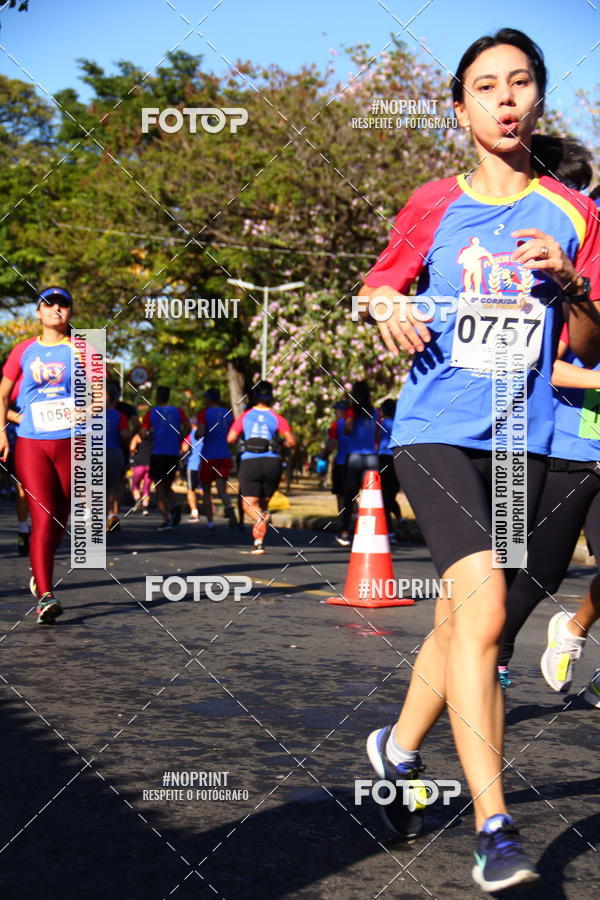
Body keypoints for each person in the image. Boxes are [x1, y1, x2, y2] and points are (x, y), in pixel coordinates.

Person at [357, 28, 600, 893]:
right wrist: (385, 304)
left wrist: (570, 282)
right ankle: (495, 827)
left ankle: (397, 746)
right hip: (436, 428)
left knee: (469, 622)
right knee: (487, 605)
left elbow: (590, 339)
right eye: (485, 86)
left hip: (525, 435)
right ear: (459, 110)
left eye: (521, 82)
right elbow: (379, 282)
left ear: (537, 97)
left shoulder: (576, 211)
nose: (505, 98)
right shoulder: (432, 202)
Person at [498, 320, 600, 701]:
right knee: (539, 575)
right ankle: (495, 658)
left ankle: (573, 631)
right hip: (566, 454)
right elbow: (542, 363)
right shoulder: (585, 303)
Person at [0, 286, 78, 624]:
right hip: (32, 444)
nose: (56, 310)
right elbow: (2, 396)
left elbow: (101, 396)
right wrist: (2, 430)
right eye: (50, 304)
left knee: (62, 517)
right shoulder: (23, 350)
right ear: (38, 311)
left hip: (71, 443)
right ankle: (45, 595)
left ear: (70, 312)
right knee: (43, 516)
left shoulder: (83, 350)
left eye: (63, 305)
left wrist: (87, 409)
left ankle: (40, 568)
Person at [227, 381, 295, 554]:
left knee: (248, 504)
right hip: (272, 463)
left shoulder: (245, 416)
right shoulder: (276, 417)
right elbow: (291, 441)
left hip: (250, 462)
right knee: (263, 503)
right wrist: (279, 442)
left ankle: (261, 519)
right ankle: (258, 543)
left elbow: (231, 438)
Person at [139, 386, 189, 531]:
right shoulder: (178, 411)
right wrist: (179, 438)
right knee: (168, 485)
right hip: (173, 453)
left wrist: (149, 437)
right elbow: (188, 427)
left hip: (158, 452)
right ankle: (175, 505)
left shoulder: (152, 412)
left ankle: (166, 519)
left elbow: (143, 432)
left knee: (159, 487)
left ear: (157, 397)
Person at [337, 381, 380, 547]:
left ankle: (345, 532)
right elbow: (377, 435)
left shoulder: (351, 410)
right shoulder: (375, 412)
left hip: (354, 456)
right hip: (371, 457)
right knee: (370, 495)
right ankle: (370, 531)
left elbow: (347, 429)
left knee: (350, 495)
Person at [196, 388, 236, 532]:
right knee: (222, 490)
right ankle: (230, 509)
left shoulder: (203, 413)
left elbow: (200, 433)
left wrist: (197, 433)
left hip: (208, 456)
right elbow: (233, 435)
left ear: (209, 399)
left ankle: (210, 523)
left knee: (206, 491)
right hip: (224, 456)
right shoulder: (228, 413)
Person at [105, 383, 130, 534]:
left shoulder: (90, 413)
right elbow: (126, 434)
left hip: (93, 453)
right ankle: (112, 516)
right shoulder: (119, 416)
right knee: (114, 487)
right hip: (115, 452)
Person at [377, 397, 403, 540]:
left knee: (384, 497)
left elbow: (376, 437)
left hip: (384, 458)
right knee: (391, 493)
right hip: (397, 458)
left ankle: (390, 532)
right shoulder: (400, 424)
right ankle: (399, 519)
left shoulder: (382, 423)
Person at [325, 401, 350, 516]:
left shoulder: (337, 425)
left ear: (341, 411)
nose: (335, 413)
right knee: (352, 494)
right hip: (355, 462)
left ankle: (343, 519)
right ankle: (355, 517)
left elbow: (331, 444)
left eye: (336, 411)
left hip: (341, 462)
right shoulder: (357, 424)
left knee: (340, 494)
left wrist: (324, 454)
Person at [182, 419, 204, 521]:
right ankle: (210, 509)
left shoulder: (190, 434)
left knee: (191, 489)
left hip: (192, 465)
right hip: (204, 465)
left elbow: (184, 448)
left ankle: (194, 513)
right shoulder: (206, 434)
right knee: (204, 489)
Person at [129, 431, 153, 514]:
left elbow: (132, 448)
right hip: (150, 465)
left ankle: (138, 500)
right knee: (146, 487)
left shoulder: (137, 436)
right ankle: (145, 508)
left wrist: (134, 452)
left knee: (135, 485)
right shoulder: (153, 436)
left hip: (138, 464)